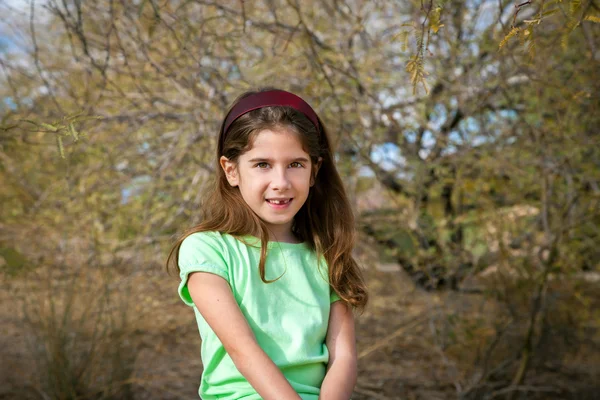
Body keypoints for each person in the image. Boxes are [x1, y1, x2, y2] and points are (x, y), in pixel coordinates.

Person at [167, 88, 368, 400]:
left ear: (314, 170)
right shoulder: (206, 249)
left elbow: (344, 358)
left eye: (295, 164)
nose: (281, 182)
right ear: (231, 170)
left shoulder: (327, 252)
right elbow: (243, 349)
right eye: (262, 164)